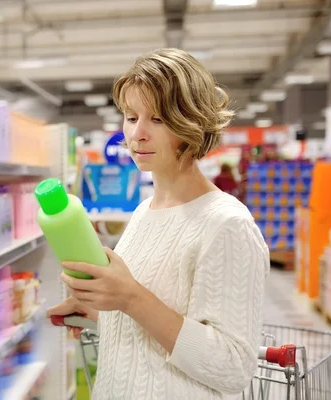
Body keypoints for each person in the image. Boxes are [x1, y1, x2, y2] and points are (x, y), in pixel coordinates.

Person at [47, 48, 270, 400]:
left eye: (158, 119)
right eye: (131, 116)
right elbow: (158, 323)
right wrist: (101, 313)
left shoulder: (227, 225)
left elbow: (232, 367)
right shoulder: (143, 213)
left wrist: (131, 298)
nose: (138, 134)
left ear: (192, 123)